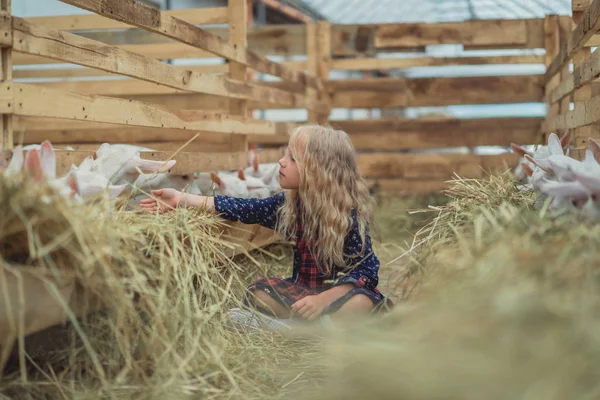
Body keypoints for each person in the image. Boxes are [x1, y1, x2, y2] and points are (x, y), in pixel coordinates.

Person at [140, 125, 392, 329]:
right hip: (303, 294)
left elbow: (367, 273)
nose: (281, 162)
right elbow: (245, 208)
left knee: (362, 303)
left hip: (339, 296)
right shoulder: (290, 205)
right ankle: (308, 328)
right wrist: (182, 199)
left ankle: (292, 331)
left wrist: (324, 299)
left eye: (292, 158)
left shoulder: (348, 214)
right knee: (258, 292)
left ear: (318, 171)